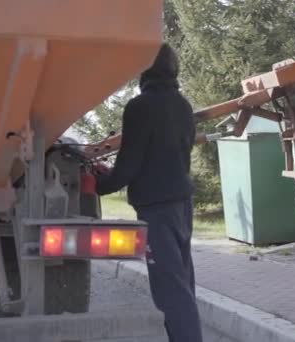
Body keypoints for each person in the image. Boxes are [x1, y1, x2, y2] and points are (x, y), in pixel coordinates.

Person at [95, 43, 203, 342]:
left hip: (156, 209)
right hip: (182, 203)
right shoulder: (182, 105)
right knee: (182, 283)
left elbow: (129, 166)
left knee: (169, 289)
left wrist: (100, 184)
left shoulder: (140, 107)